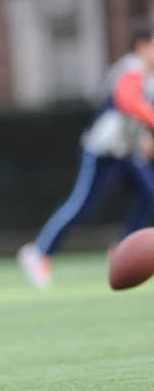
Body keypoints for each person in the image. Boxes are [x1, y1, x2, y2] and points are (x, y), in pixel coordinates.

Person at [19, 23, 154, 288]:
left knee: (150, 196)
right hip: (103, 150)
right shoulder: (130, 68)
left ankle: (122, 250)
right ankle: (38, 252)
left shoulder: (149, 76)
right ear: (142, 45)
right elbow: (127, 101)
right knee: (81, 205)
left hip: (127, 151)